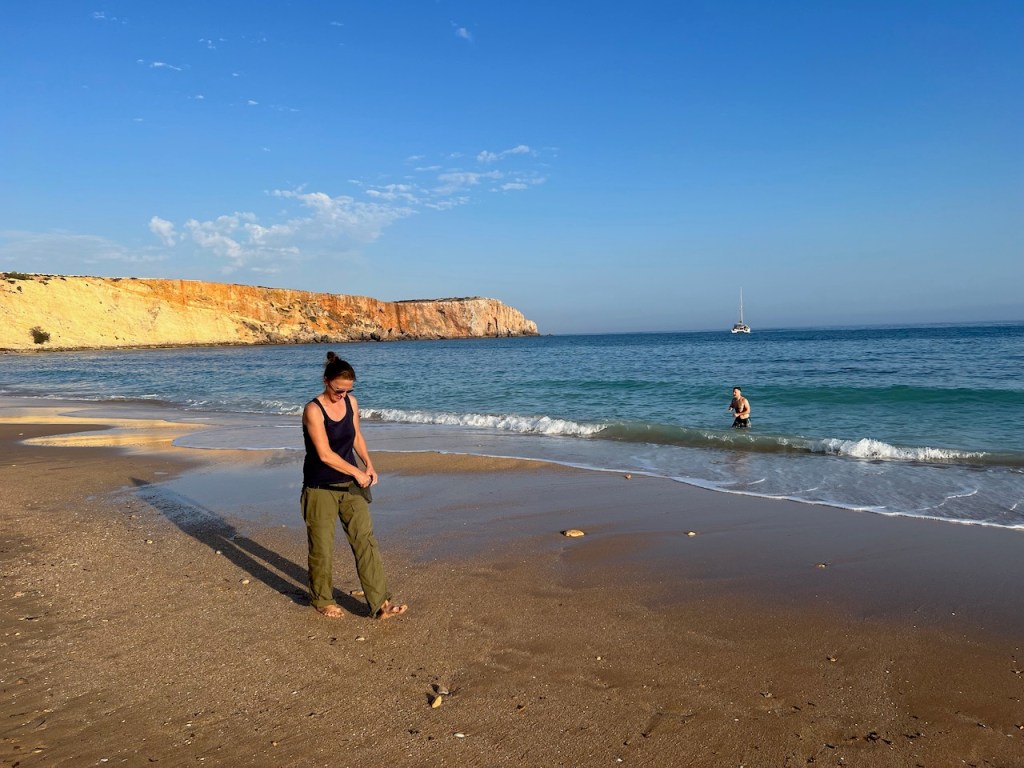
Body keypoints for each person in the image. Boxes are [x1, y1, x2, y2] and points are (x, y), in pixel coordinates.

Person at [301, 352, 407, 620]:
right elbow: (325, 454)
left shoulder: (351, 402)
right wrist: (356, 472)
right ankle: (322, 599)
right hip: (320, 487)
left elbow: (356, 435)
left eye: (348, 390)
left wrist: (368, 464)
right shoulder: (313, 410)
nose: (343, 395)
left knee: (365, 541)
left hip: (350, 485)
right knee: (322, 546)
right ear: (326, 382)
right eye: (338, 390)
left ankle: (380, 603)